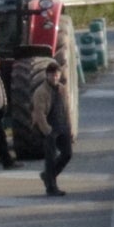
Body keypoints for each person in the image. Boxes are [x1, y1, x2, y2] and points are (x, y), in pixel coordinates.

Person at [32, 60, 76, 196]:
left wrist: (70, 129)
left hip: (62, 126)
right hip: (49, 128)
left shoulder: (62, 89)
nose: (55, 77)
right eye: (52, 75)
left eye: (57, 75)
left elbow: (66, 110)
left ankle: (47, 176)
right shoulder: (41, 92)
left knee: (67, 154)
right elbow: (39, 113)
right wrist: (47, 131)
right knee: (50, 158)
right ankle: (51, 187)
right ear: (47, 75)